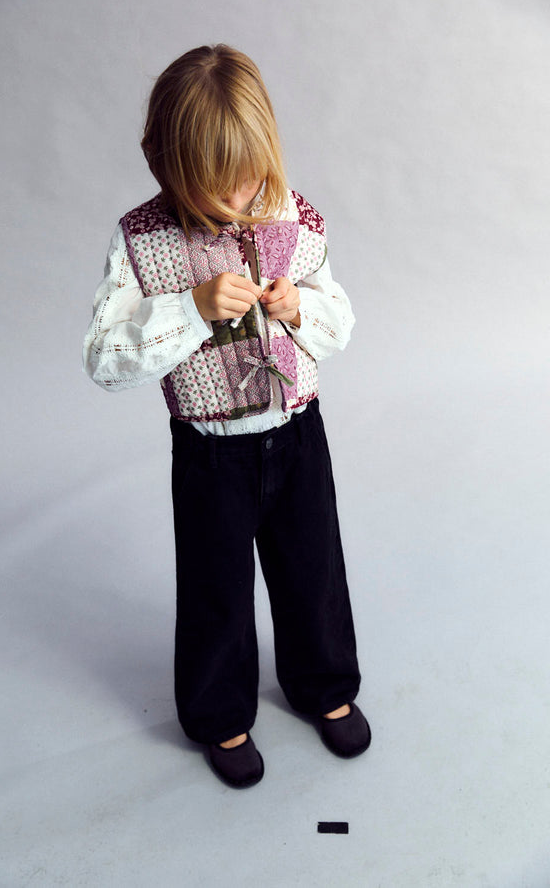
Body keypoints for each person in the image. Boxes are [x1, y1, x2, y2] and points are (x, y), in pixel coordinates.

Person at [82, 44, 370, 789]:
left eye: (247, 179)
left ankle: (325, 686)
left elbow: (339, 320)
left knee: (313, 568)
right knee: (215, 586)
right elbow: (105, 360)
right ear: (164, 166)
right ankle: (220, 713)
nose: (238, 201)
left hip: (298, 435)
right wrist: (189, 308)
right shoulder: (143, 242)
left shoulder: (292, 215)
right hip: (210, 451)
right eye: (214, 189)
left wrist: (299, 304)